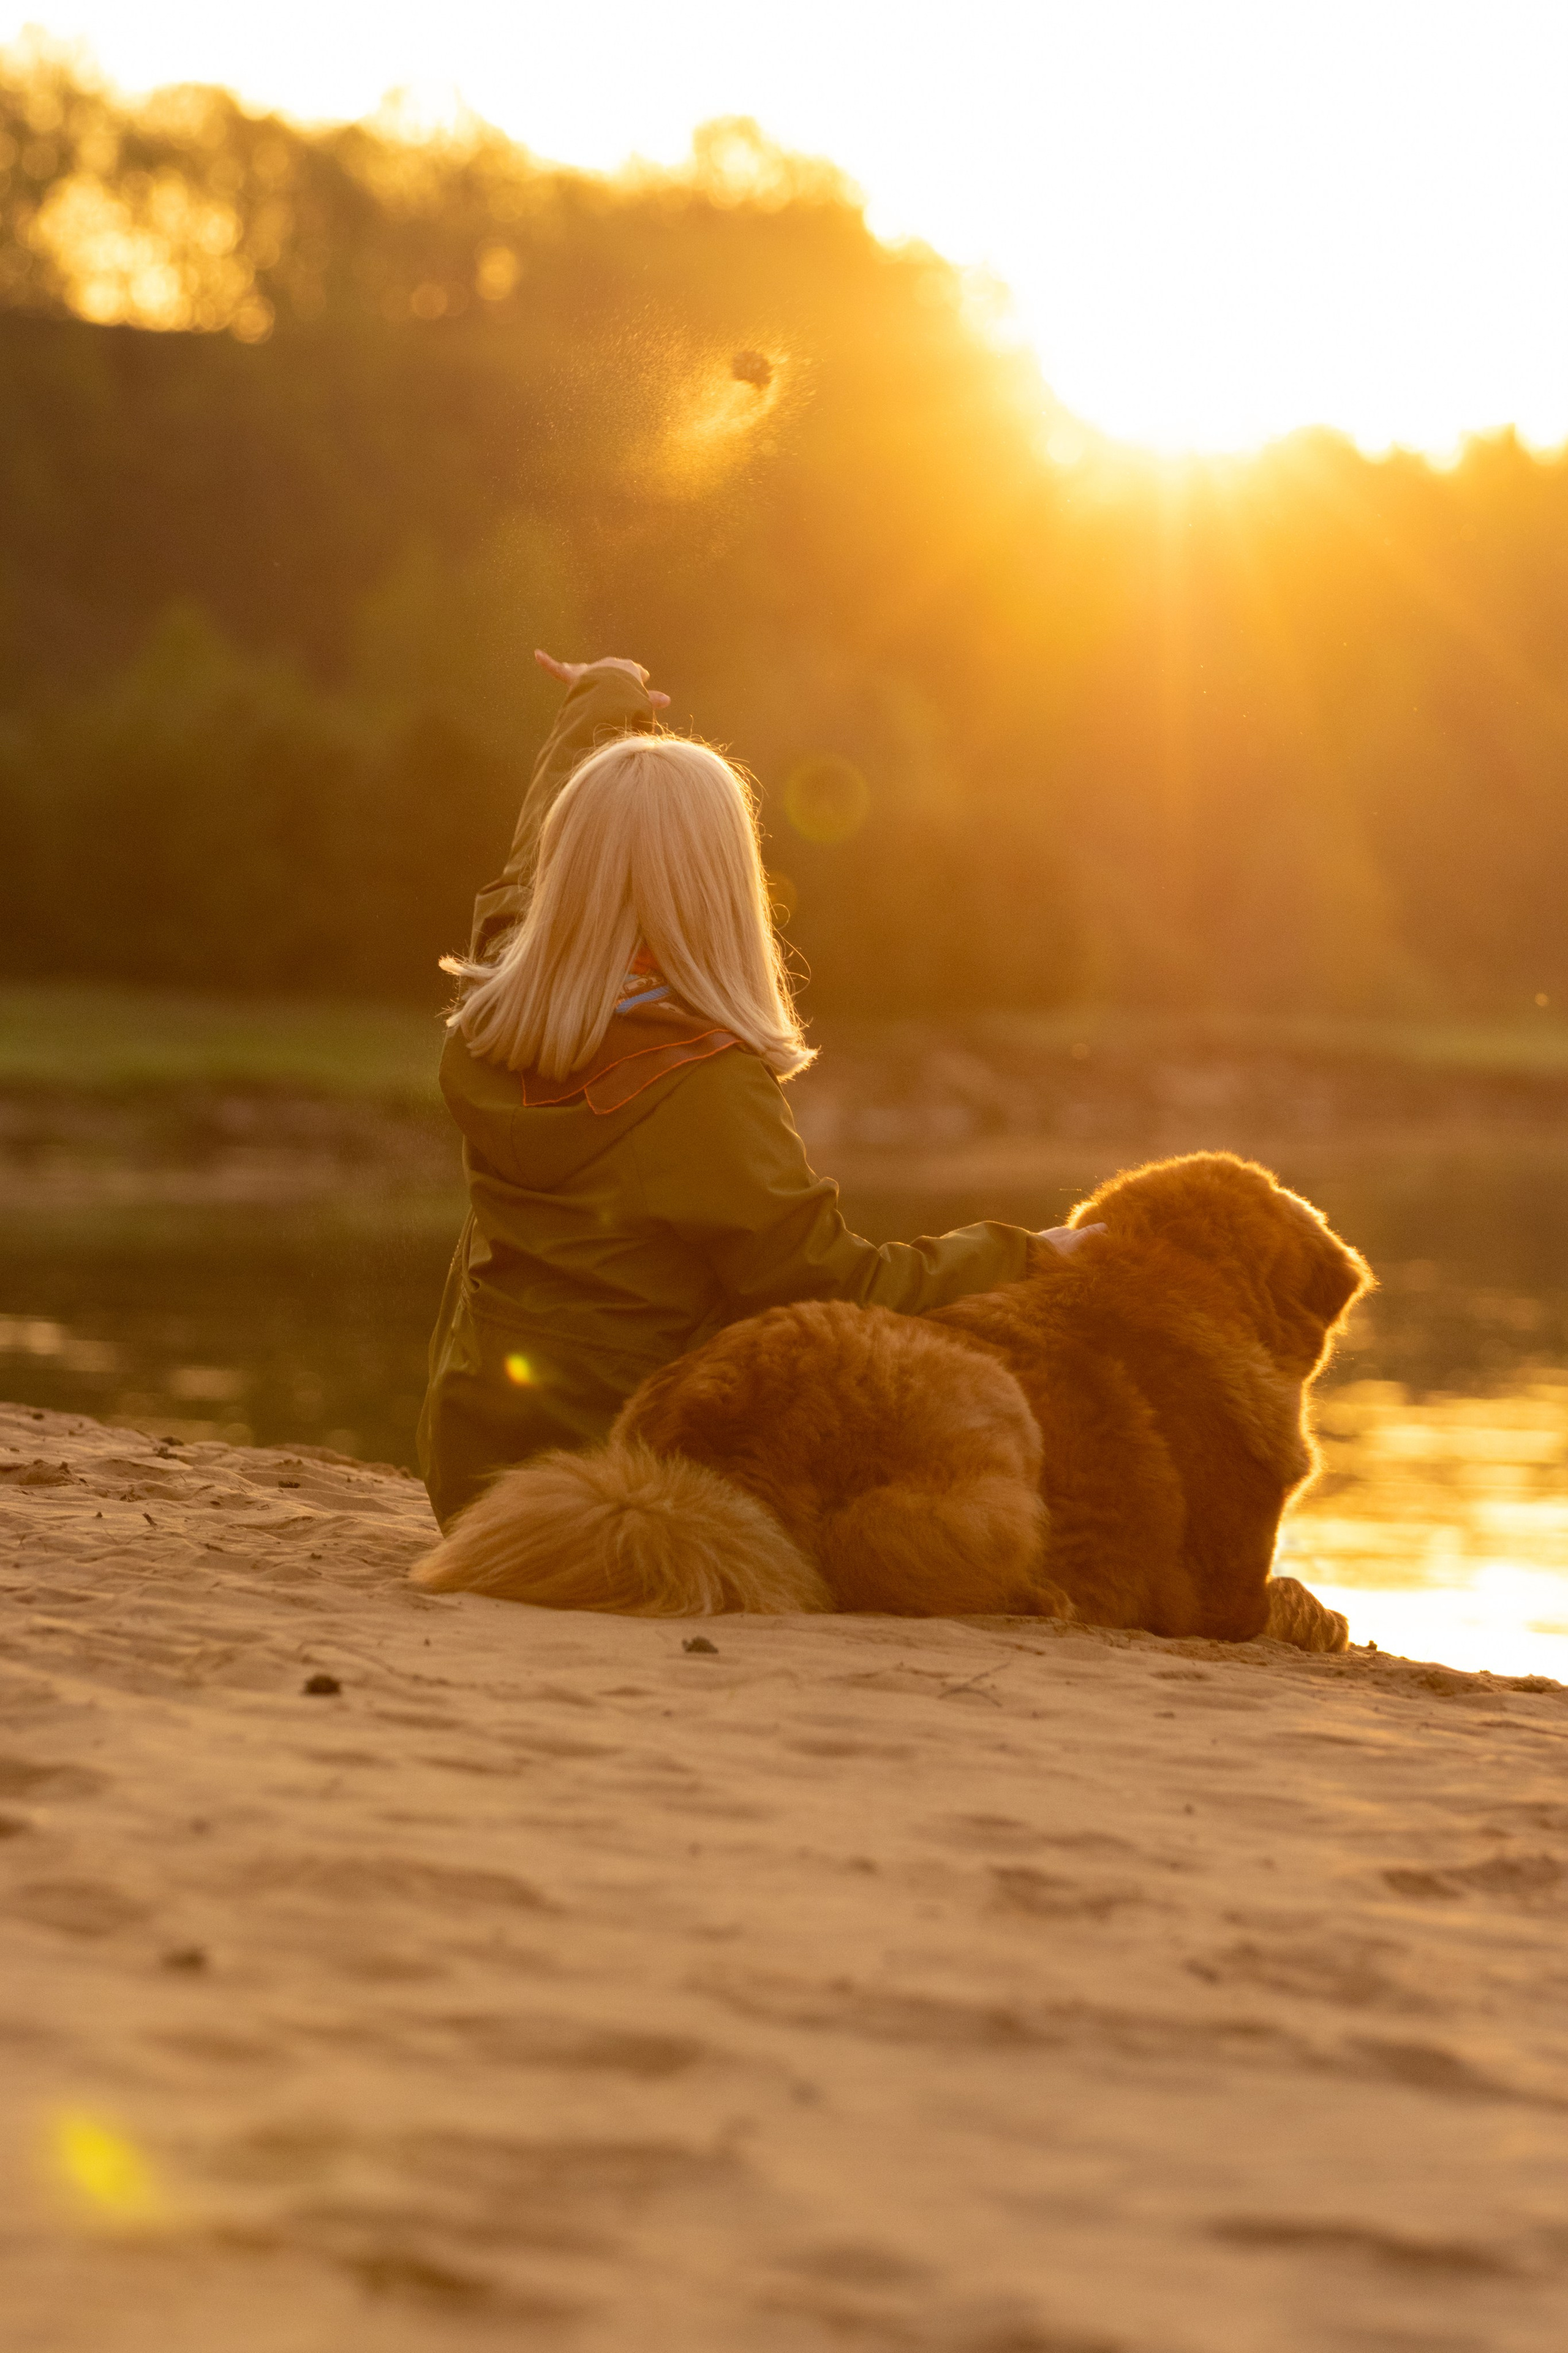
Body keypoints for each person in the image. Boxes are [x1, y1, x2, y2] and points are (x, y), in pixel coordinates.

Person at [418, 651, 1096, 1530]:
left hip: (474, 1474)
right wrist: (1029, 1254)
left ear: (567, 863)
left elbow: (529, 862)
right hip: (617, 1491)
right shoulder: (700, 1083)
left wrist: (604, 704)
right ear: (722, 885)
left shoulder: (492, 1010)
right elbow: (828, 1280)